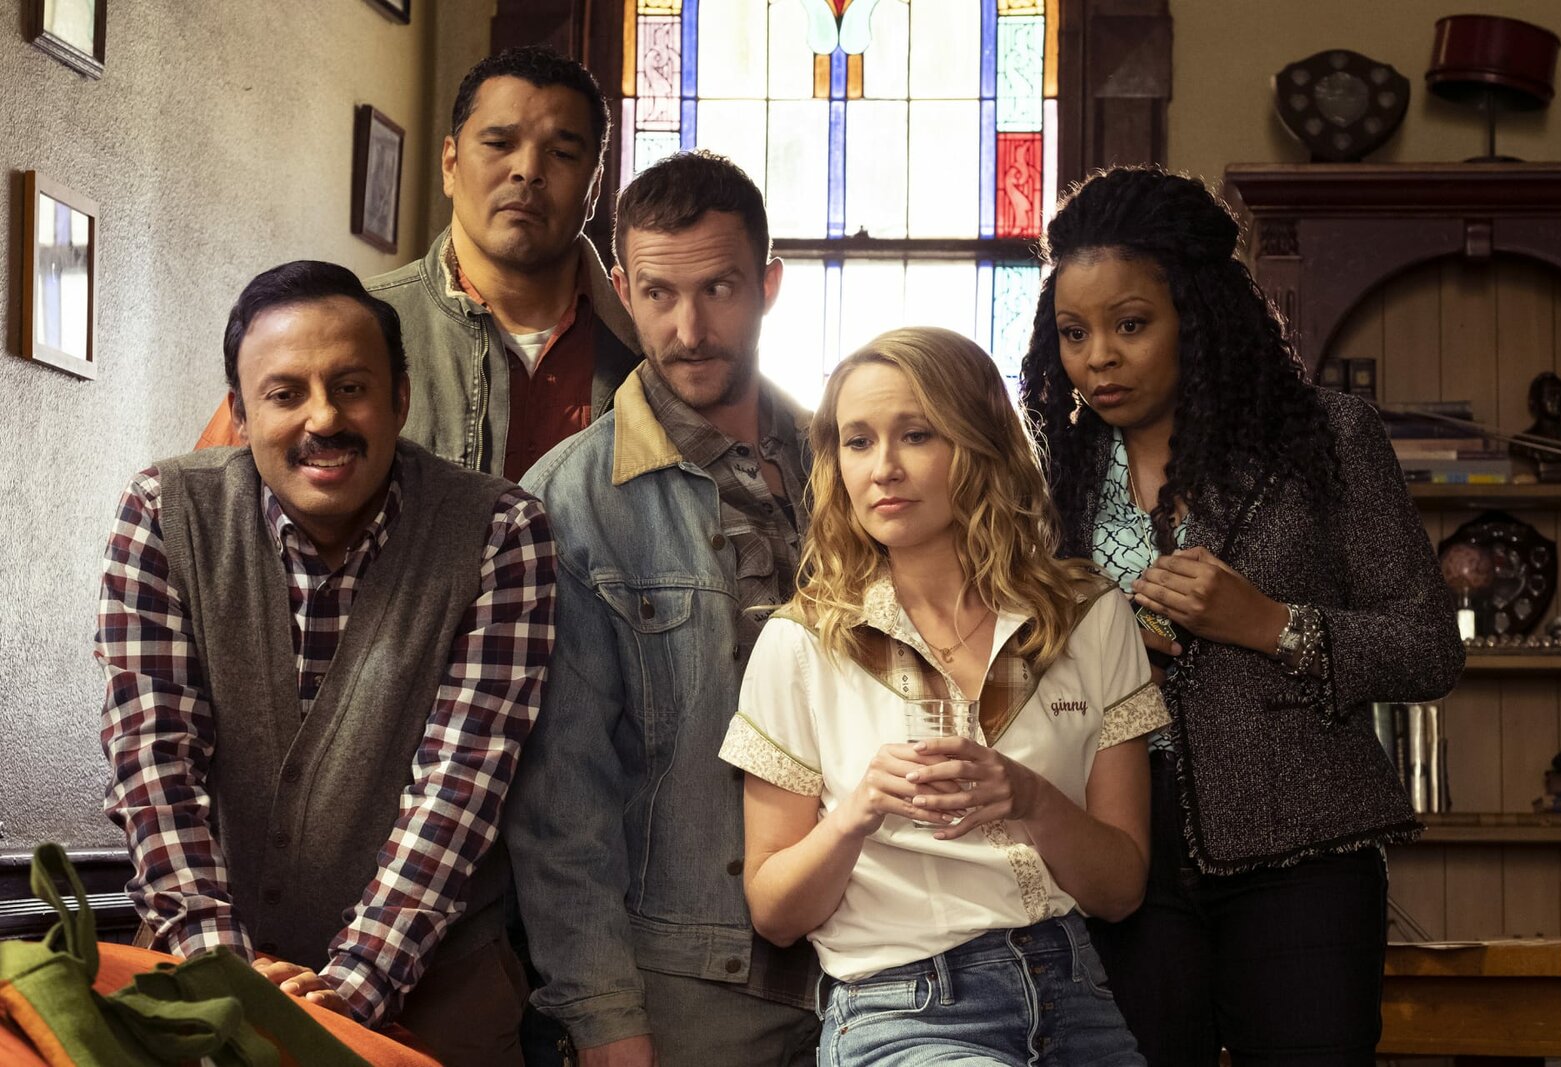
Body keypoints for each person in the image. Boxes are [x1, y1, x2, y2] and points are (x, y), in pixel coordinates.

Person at [1018, 166, 1465, 1065]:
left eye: (1130, 324)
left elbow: (1427, 646)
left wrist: (1270, 623)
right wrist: (1090, 651)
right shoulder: (1048, 475)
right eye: (1074, 332)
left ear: (1199, 314)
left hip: (1302, 853)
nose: (1098, 357)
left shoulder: (1327, 437)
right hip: (1118, 852)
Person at [97, 261, 557, 1067]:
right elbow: (154, 762)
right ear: (240, 414)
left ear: (400, 398)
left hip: (438, 988)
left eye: (351, 387)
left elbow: (457, 788)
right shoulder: (164, 513)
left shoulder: (501, 532)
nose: (324, 418)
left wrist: (348, 990)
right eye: (285, 394)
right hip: (196, 967)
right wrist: (228, 974)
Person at [720, 326, 1162, 1066]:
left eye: (917, 434)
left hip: (1077, 993)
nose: (884, 468)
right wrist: (857, 813)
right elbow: (775, 914)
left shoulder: (1086, 617)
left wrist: (1032, 797)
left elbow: (1121, 891)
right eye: (858, 442)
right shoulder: (803, 643)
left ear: (980, 443)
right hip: (902, 1010)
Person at [506, 150, 820, 1067]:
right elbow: (561, 798)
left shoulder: (851, 464)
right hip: (691, 991)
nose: (689, 329)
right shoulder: (568, 500)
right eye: (658, 294)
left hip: (877, 971)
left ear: (767, 285)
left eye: (719, 288)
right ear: (622, 291)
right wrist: (604, 1013)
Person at [195, 45, 641, 481]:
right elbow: (213, 504)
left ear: (595, 187)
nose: (528, 170)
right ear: (450, 164)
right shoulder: (348, 326)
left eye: (562, 153)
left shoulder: (647, 342)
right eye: (499, 143)